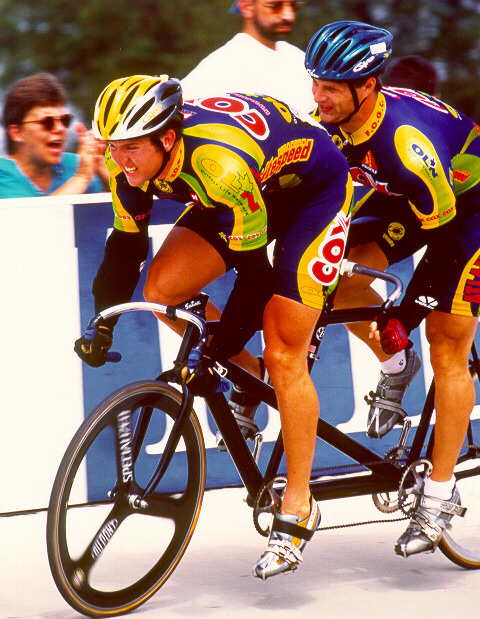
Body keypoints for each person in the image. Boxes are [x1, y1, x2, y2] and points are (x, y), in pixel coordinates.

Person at [74, 74, 353, 579]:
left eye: (132, 148)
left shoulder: (219, 166)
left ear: (167, 138)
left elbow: (255, 276)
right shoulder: (131, 172)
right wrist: (102, 324)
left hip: (311, 193)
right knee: (162, 291)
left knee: (284, 348)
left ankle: (298, 502)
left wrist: (217, 350)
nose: (122, 161)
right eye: (114, 148)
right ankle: (247, 381)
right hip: (241, 188)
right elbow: (126, 251)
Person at [305, 20, 480, 558]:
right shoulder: (333, 120)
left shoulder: (406, 144)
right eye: (315, 81)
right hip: (409, 202)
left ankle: (438, 494)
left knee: (446, 345)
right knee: (337, 272)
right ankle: (395, 365)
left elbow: (445, 236)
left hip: (466, 216)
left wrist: (408, 308)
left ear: (368, 86)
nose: (319, 96)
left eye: (332, 87)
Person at [181, 0, 314, 115]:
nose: (288, 15)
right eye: (275, 5)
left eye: (293, 5)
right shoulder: (220, 66)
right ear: (247, 6)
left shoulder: (301, 59)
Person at [0, 72, 108, 198]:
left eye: (64, 120)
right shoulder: (3, 174)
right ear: (17, 133)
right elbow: (32, 216)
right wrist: (82, 178)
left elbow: (120, 206)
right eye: (47, 122)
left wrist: (100, 163)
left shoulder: (76, 164)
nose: (61, 128)